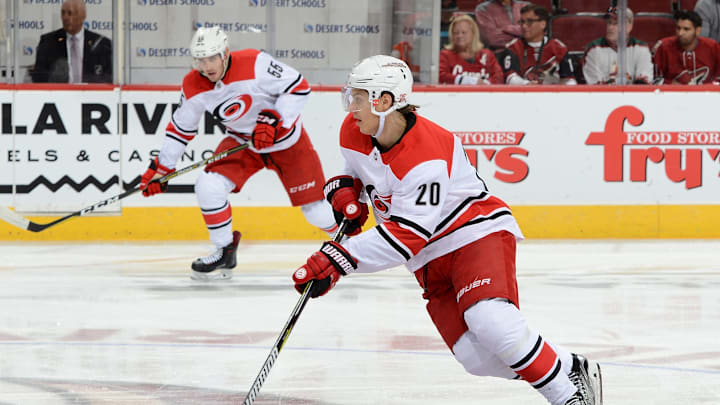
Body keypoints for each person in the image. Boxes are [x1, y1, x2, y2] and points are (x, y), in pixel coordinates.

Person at [292, 54, 603, 405]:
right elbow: (356, 167)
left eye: (359, 97)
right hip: (428, 259)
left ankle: (566, 397)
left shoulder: (426, 156)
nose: (351, 106)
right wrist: (346, 188)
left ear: (385, 100)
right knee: (475, 359)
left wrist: (337, 259)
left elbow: (406, 237)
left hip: (472, 233)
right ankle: (569, 365)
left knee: (488, 318)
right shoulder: (354, 129)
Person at [139, 26, 336, 281]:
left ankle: (351, 243)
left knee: (316, 212)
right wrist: (162, 169)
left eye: (212, 58)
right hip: (243, 143)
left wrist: (274, 119)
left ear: (225, 53)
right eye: (201, 60)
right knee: (208, 186)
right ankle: (224, 250)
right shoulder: (193, 85)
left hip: (287, 141)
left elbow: (298, 87)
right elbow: (180, 128)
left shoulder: (255, 63)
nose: (207, 66)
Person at [31, 0, 112, 83]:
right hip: (58, 94)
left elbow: (109, 77)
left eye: (70, 13)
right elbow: (39, 76)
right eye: (63, 13)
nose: (65, 18)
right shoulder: (48, 41)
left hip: (90, 94)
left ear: (83, 16)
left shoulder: (101, 43)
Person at [498, 4, 577, 84]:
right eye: (522, 22)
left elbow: (570, 80)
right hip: (523, 94)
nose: (524, 26)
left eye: (529, 22)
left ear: (543, 24)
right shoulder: (513, 47)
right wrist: (527, 85)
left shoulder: (559, 48)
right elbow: (510, 78)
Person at [583, 7, 653, 85]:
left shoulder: (641, 48)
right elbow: (595, 87)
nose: (610, 27)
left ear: (629, 26)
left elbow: (643, 84)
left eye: (616, 23)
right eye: (609, 22)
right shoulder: (594, 48)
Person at [653, 10, 720, 84]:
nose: (680, 33)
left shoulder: (713, 47)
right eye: (678, 28)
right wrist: (671, 85)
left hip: (707, 93)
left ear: (698, 31)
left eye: (686, 29)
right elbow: (654, 80)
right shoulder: (663, 47)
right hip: (672, 94)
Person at [440, 14, 503, 85]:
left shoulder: (487, 55)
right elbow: (440, 75)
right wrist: (464, 81)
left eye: (464, 32)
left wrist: (485, 84)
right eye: (456, 33)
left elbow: (498, 77)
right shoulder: (445, 55)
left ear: (473, 33)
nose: (459, 36)